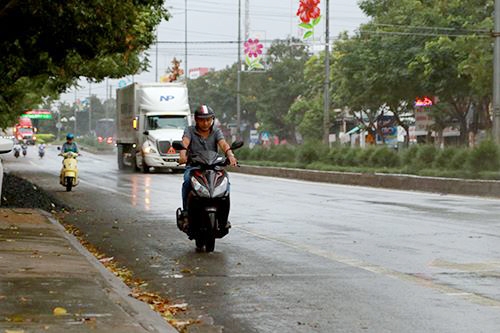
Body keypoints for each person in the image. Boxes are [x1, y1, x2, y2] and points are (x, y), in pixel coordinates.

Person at [179, 105, 238, 212]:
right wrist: (183, 155)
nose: (205, 123)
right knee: (187, 181)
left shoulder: (216, 131)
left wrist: (230, 155)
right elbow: (185, 143)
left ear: (212, 120)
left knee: (225, 183)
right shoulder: (189, 130)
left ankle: (223, 215)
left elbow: (223, 144)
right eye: (202, 120)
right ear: (196, 120)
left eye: (208, 120)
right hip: (194, 167)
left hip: (214, 168)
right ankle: (186, 212)